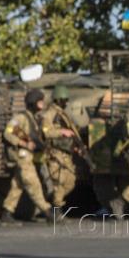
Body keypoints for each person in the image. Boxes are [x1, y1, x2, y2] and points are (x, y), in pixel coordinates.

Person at [1, 87, 53, 224]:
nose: (42, 104)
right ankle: (48, 212)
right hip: (23, 157)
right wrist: (23, 143)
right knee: (33, 184)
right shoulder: (21, 118)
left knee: (17, 186)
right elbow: (7, 133)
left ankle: (6, 212)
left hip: (29, 157)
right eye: (40, 101)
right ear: (33, 102)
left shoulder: (33, 118)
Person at [40, 84, 83, 214]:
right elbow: (46, 132)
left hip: (66, 152)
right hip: (55, 152)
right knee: (59, 181)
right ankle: (56, 210)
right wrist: (61, 132)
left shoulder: (62, 113)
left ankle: (52, 202)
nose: (66, 103)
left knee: (70, 181)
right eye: (64, 100)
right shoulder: (49, 114)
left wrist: (77, 145)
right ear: (58, 100)